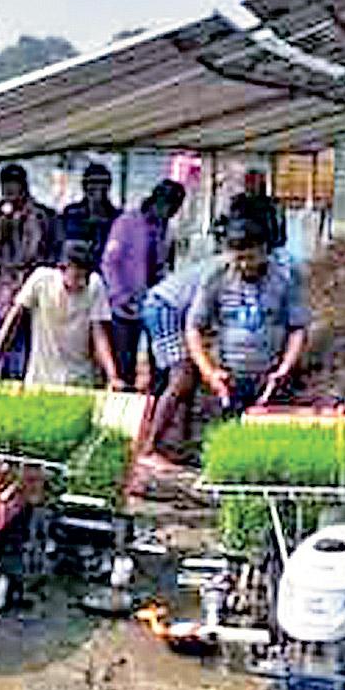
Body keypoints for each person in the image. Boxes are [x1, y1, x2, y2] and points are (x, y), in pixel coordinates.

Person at [188, 216, 311, 417]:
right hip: (230, 376)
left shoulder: (284, 278)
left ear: (264, 250)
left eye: (251, 258)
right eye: (238, 259)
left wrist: (285, 369)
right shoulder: (216, 278)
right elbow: (194, 328)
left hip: (269, 375)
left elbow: (297, 327)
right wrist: (209, 372)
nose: (245, 265)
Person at [0, 240, 122, 390]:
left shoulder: (95, 286)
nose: (81, 283)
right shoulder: (41, 280)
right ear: (62, 269)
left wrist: (113, 376)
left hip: (79, 377)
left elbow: (99, 334)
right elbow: (13, 320)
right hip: (41, 378)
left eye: (84, 277)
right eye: (77, 276)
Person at [0, 163, 61, 379]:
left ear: (24, 186)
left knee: (28, 352)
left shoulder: (43, 216)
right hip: (3, 296)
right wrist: (1, 227)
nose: (10, 191)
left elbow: (49, 255)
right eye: (6, 185)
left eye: (14, 184)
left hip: (32, 295)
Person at [100, 180, 186, 389]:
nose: (170, 213)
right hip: (125, 305)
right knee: (125, 361)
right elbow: (110, 262)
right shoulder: (127, 222)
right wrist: (119, 295)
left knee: (160, 359)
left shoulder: (165, 228)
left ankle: (156, 402)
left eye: (175, 209)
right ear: (156, 202)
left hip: (154, 302)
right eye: (168, 207)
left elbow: (164, 264)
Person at [137, 254, 218, 468]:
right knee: (181, 379)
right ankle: (149, 448)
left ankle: (179, 446)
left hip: (170, 308)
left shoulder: (223, 264)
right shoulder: (224, 271)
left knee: (189, 380)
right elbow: (200, 313)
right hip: (166, 308)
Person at [60, 160, 121, 254]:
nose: (98, 186)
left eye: (103, 182)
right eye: (93, 182)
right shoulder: (71, 213)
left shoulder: (118, 218)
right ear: (84, 186)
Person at [225, 167, 286, 251]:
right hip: (245, 246)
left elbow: (279, 235)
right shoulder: (238, 202)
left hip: (262, 246)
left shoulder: (271, 204)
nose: (251, 185)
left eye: (254, 181)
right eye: (249, 181)